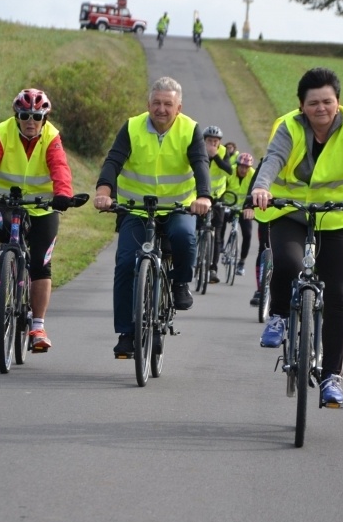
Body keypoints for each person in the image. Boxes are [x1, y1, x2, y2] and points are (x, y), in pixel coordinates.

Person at [251, 67, 343, 407]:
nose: (321, 108)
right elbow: (274, 158)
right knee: (289, 263)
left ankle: (331, 378)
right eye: (313, 103)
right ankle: (279, 315)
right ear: (301, 106)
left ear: (338, 102)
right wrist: (262, 187)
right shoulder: (289, 126)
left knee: (337, 297)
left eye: (327, 101)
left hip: (336, 217)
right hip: (289, 212)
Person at [94, 76, 212, 357]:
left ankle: (180, 283)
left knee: (184, 236)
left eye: (168, 104)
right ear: (148, 104)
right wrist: (103, 192)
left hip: (177, 208)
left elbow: (200, 164)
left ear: (178, 108)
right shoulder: (132, 127)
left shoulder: (190, 129)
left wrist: (204, 196)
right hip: (136, 209)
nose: (161, 109)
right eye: (156, 103)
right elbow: (113, 161)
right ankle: (126, 333)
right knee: (125, 263)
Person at [0, 88, 75, 351]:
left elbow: (60, 167)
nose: (30, 121)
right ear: (17, 116)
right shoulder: (4, 133)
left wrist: (63, 195)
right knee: (1, 228)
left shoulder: (51, 137)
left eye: (36, 116)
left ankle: (38, 326)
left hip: (42, 206)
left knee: (41, 264)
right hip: (7, 200)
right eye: (24, 116)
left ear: (44, 118)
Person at [202, 125, 233, 284]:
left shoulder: (223, 151)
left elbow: (229, 170)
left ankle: (213, 269)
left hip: (217, 197)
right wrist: (207, 156)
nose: (213, 144)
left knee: (217, 234)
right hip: (200, 196)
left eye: (216, 141)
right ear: (204, 141)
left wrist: (215, 157)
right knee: (194, 229)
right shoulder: (199, 150)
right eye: (210, 141)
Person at [225, 152, 256, 276]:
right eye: (241, 166)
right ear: (237, 165)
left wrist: (251, 207)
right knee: (219, 223)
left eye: (246, 167)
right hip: (228, 205)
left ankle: (241, 262)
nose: (243, 170)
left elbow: (255, 193)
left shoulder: (253, 175)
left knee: (248, 234)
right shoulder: (230, 171)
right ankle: (220, 246)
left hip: (244, 208)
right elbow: (222, 187)